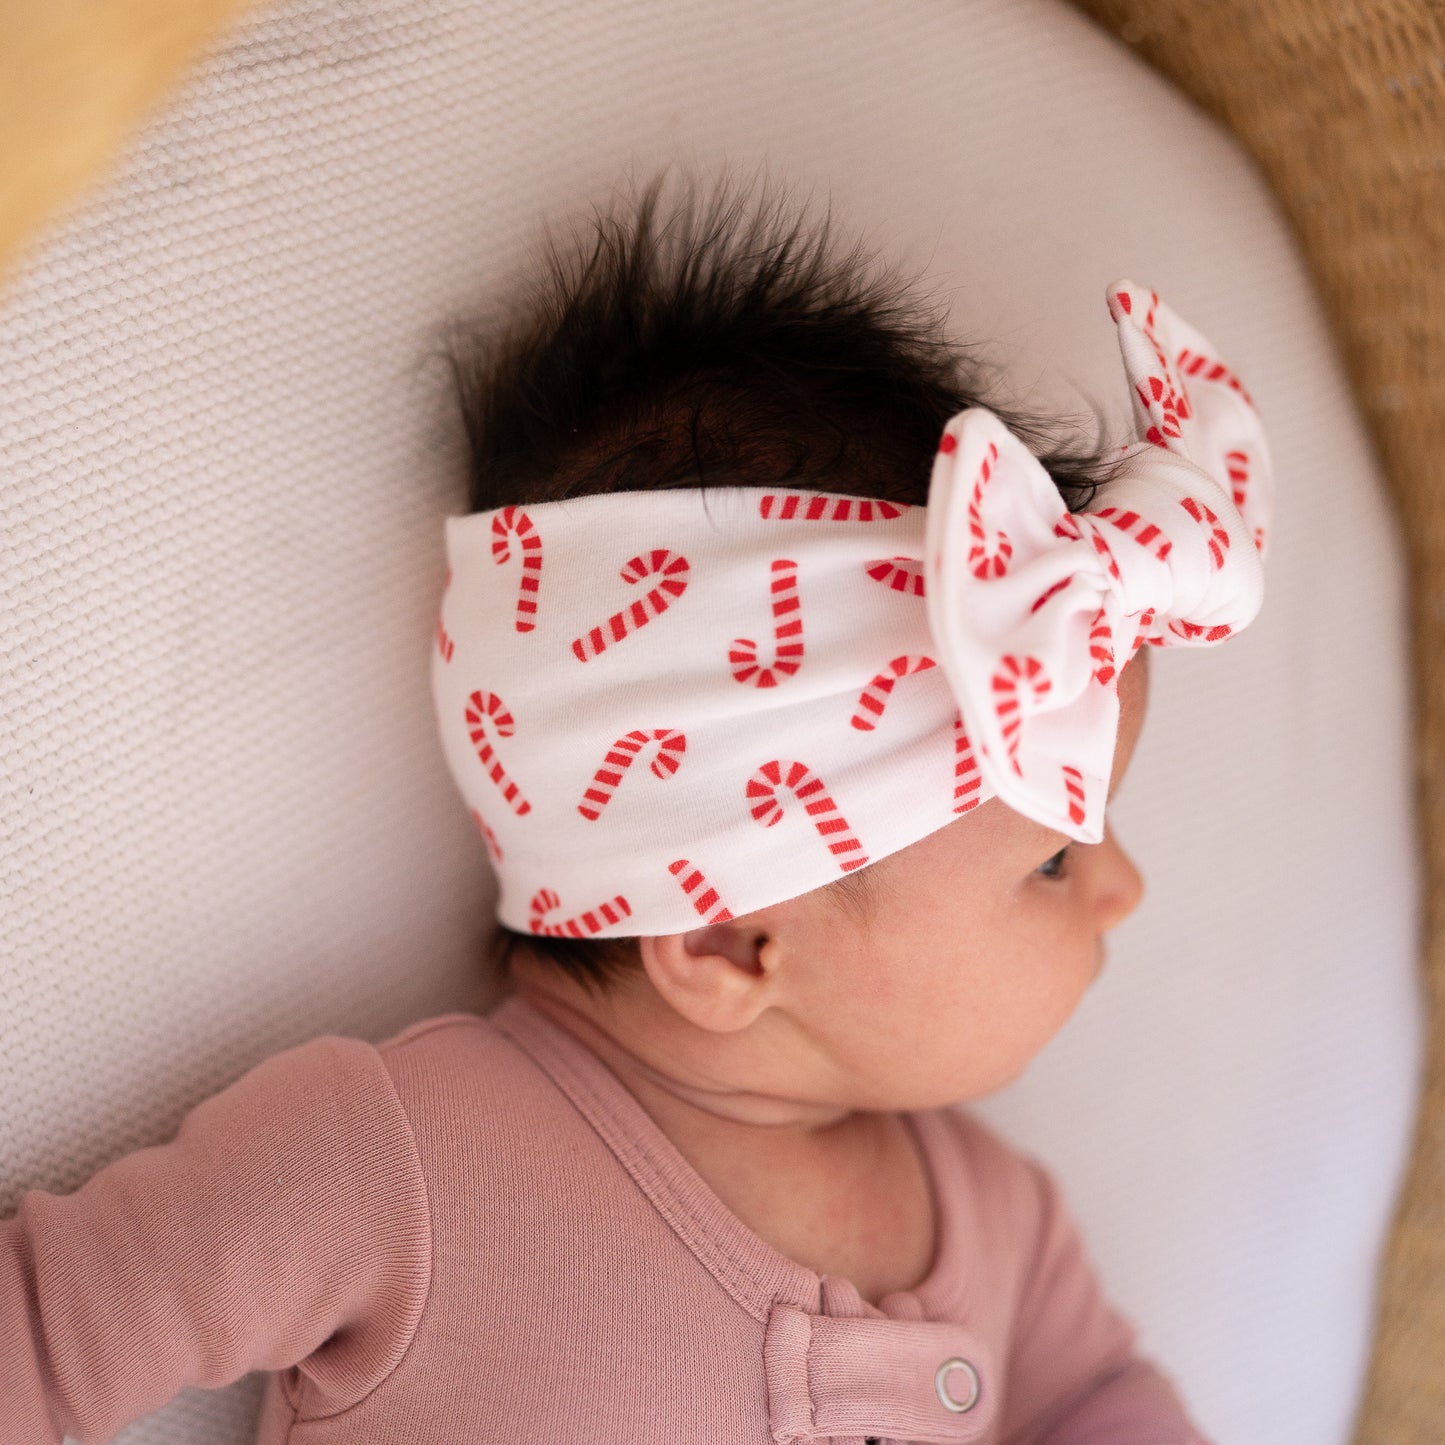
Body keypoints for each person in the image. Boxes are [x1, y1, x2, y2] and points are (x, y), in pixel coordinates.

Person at [0, 173, 1270, 1444]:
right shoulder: (400, 1164)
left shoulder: (999, 1219)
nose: (1120, 886)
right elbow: (46, 1336)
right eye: (1052, 858)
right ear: (727, 941)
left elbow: (1099, 1402)